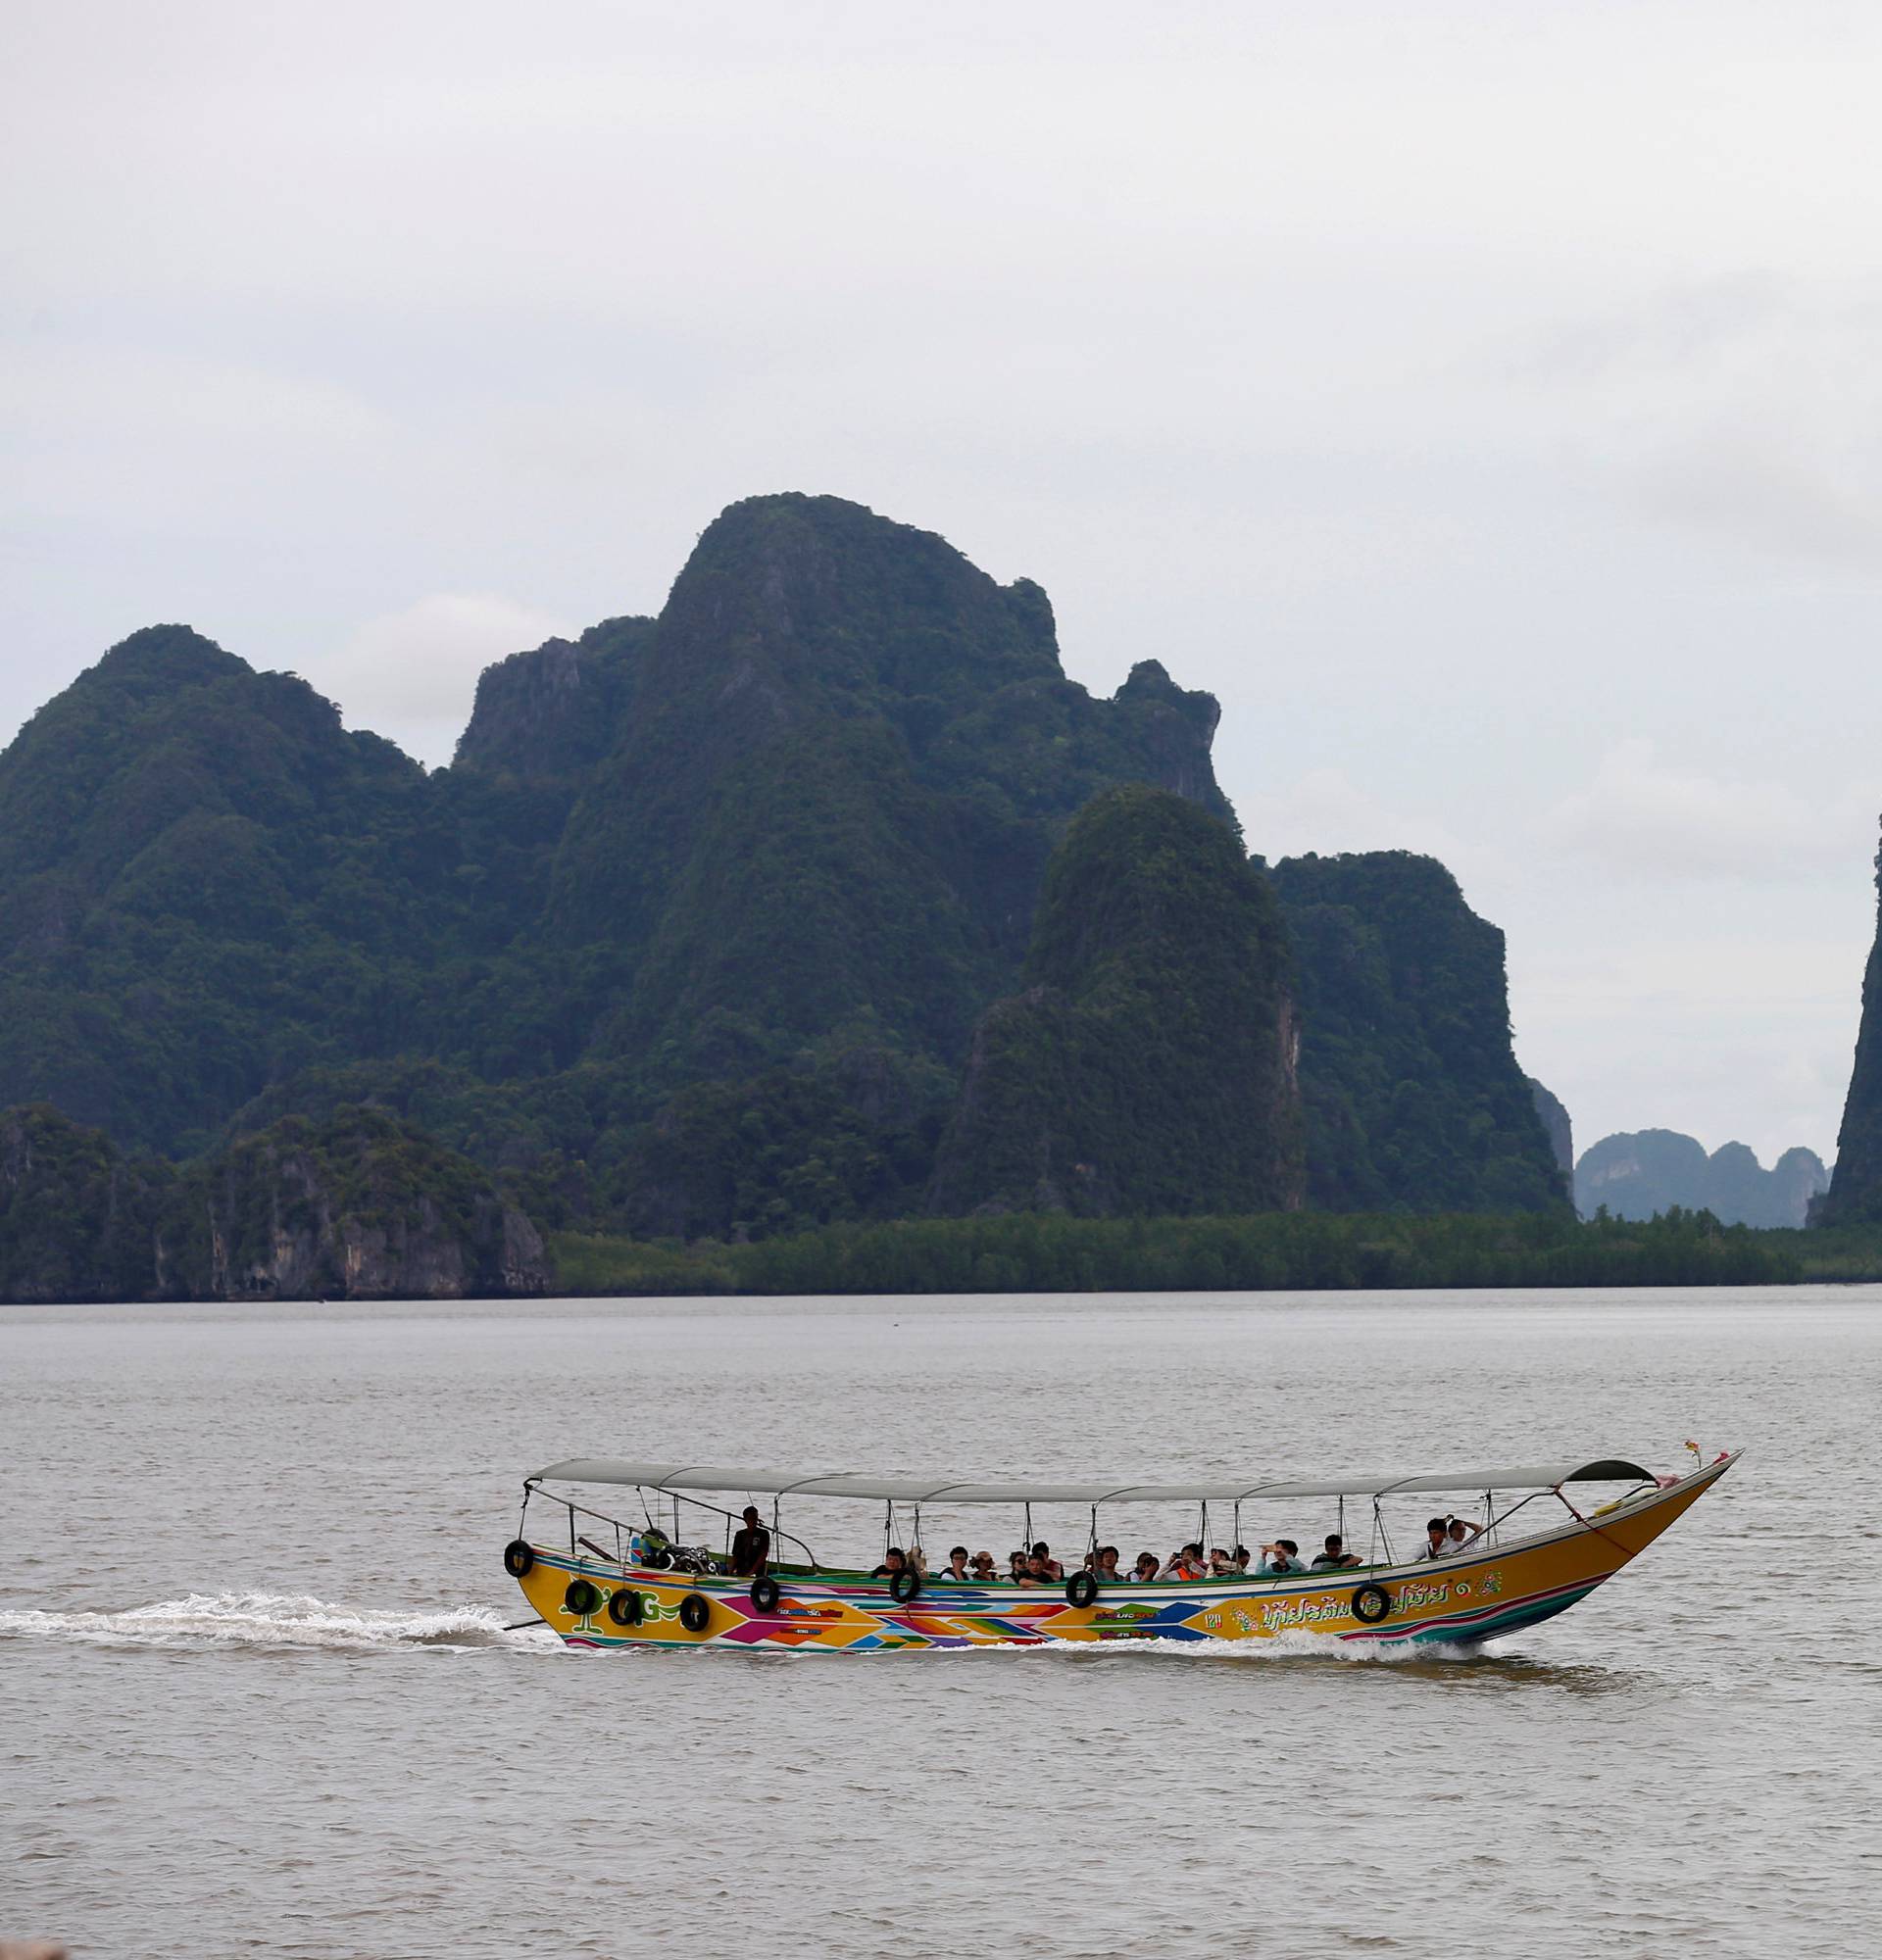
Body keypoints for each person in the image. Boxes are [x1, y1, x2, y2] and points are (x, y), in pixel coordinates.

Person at [729, 1505, 770, 1577]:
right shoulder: (740, 1534)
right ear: (745, 1520)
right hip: (741, 1570)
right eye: (750, 1519)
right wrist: (729, 1573)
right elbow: (735, 1556)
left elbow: (763, 1555)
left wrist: (751, 1572)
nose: (753, 1521)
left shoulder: (763, 1534)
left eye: (755, 1518)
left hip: (757, 1572)